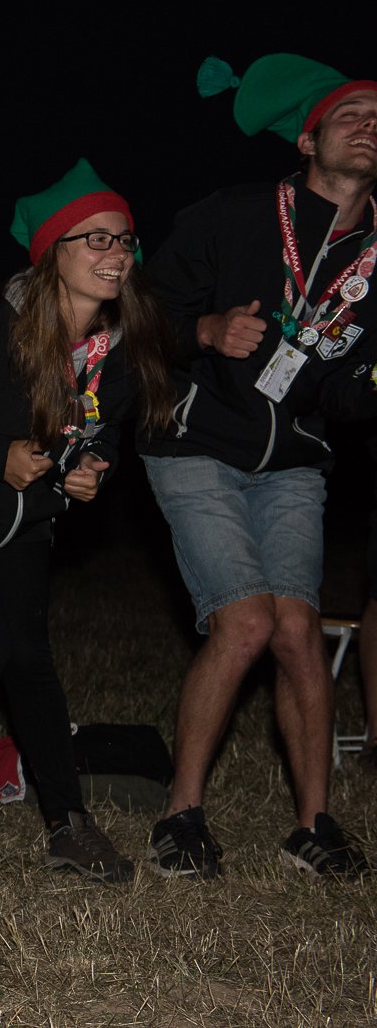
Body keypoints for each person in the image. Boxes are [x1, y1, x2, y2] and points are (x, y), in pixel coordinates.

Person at [0, 160, 171, 884]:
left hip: (23, 519)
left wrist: (90, 470)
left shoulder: (118, 352)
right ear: (52, 254)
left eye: (124, 240)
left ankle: (68, 825)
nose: (115, 253)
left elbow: (102, 437)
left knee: (30, 658)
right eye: (95, 238)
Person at [140, 53, 377, 879]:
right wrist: (204, 332)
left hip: (295, 463)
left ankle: (314, 827)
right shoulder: (235, 213)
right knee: (243, 622)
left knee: (298, 631)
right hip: (196, 443)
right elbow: (141, 312)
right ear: (308, 139)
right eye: (351, 114)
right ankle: (179, 817)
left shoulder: (376, 258)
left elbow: (343, 392)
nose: (370, 125)